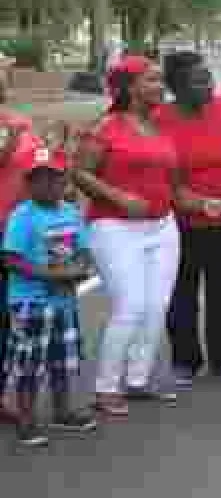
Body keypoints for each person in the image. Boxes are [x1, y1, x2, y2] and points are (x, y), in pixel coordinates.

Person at [73, 55, 193, 417]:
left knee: (156, 306)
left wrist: (205, 203)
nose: (161, 86)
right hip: (114, 228)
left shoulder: (159, 128)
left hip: (162, 227)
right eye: (152, 80)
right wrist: (119, 197)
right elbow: (80, 172)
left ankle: (138, 379)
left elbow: (176, 190)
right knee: (131, 305)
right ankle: (106, 387)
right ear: (128, 87)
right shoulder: (107, 126)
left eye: (160, 80)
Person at [157, 52, 221, 389]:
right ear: (176, 87)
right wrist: (195, 203)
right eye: (198, 81)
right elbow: (159, 174)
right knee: (182, 290)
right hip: (178, 221)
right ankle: (185, 360)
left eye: (208, 78)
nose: (208, 85)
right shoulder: (160, 119)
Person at [1, 148, 97, 446]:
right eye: (37, 179)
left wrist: (81, 266)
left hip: (64, 302)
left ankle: (62, 410)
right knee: (29, 364)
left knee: (62, 359)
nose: (45, 185)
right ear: (28, 184)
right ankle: (26, 419)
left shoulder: (70, 213)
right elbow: (11, 259)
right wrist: (50, 275)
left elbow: (83, 248)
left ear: (64, 181)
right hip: (31, 303)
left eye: (52, 179)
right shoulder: (23, 216)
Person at [0, 55, 43, 421]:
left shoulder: (18, 121)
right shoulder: (14, 128)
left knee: (12, 321)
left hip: (19, 236)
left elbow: (38, 166)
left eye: (3, 71)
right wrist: (9, 145)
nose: (2, 77)